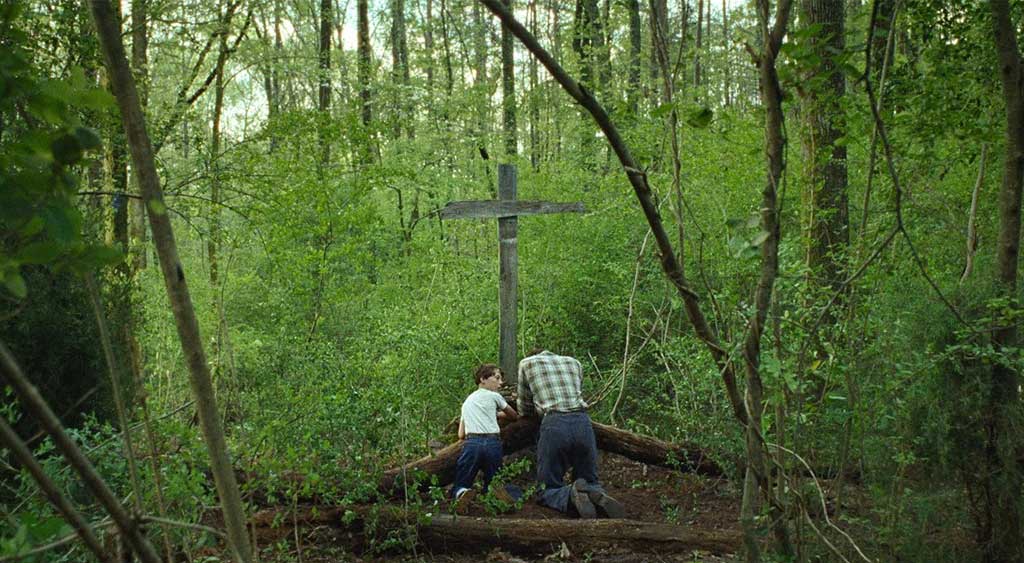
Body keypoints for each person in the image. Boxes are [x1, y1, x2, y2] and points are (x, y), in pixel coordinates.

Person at [517, 349, 625, 519]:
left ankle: (570, 495)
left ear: (533, 355)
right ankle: (593, 492)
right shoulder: (574, 362)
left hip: (554, 423)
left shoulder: (527, 363)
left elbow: (524, 406)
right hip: (583, 422)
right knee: (589, 479)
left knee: (547, 489)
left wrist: (531, 415)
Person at [451, 364, 518, 511]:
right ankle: (495, 497)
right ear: (483, 379)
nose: (501, 383)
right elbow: (513, 416)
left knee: (463, 478)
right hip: (492, 443)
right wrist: (497, 415)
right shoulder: (494, 396)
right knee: (494, 478)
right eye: (497, 378)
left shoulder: (467, 402)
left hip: (472, 443)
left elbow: (460, 434)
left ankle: (462, 494)